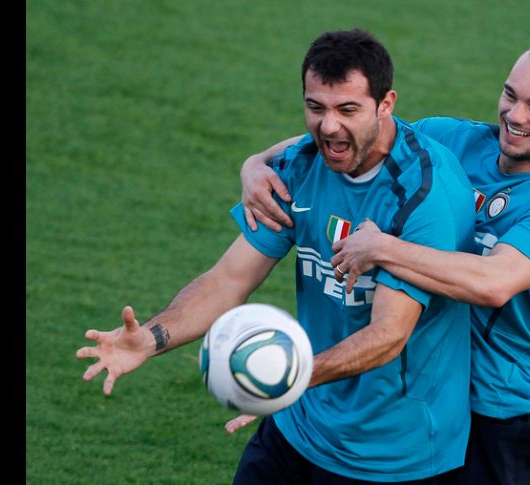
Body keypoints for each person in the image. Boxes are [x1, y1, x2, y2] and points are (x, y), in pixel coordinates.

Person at [76, 29, 478, 484]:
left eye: (348, 109)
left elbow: (388, 334)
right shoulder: (300, 167)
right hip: (299, 424)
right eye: (315, 107)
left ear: (386, 104)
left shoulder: (424, 195)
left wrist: (289, 379)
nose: (328, 126)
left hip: (391, 453)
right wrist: (150, 338)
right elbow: (228, 280)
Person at [237, 38, 530, 484]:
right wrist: (258, 162)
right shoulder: (452, 140)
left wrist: (384, 247)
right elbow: (361, 131)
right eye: (510, 95)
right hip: (429, 394)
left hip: (499, 409)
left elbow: (493, 282)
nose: (515, 115)